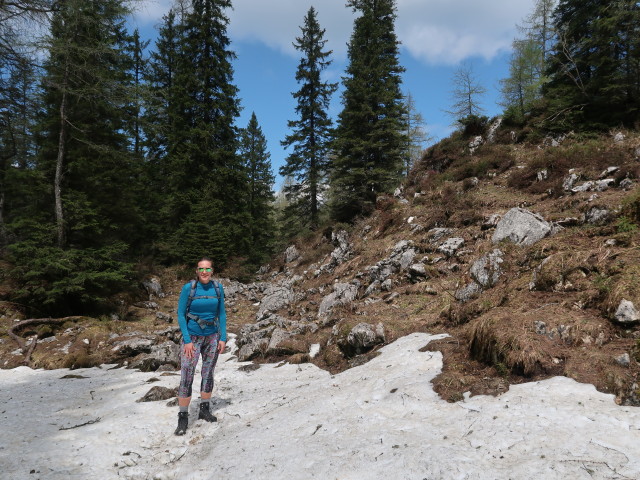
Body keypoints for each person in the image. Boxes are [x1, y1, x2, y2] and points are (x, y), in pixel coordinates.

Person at [174, 257, 227, 436]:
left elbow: (222, 313)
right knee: (186, 375)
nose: (204, 272)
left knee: (208, 373)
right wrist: (187, 340)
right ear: (196, 271)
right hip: (193, 338)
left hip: (212, 337)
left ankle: (204, 409)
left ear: (212, 271)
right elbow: (181, 314)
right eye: (201, 269)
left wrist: (223, 337)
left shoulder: (218, 288)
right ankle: (183, 416)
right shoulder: (189, 288)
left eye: (207, 269)